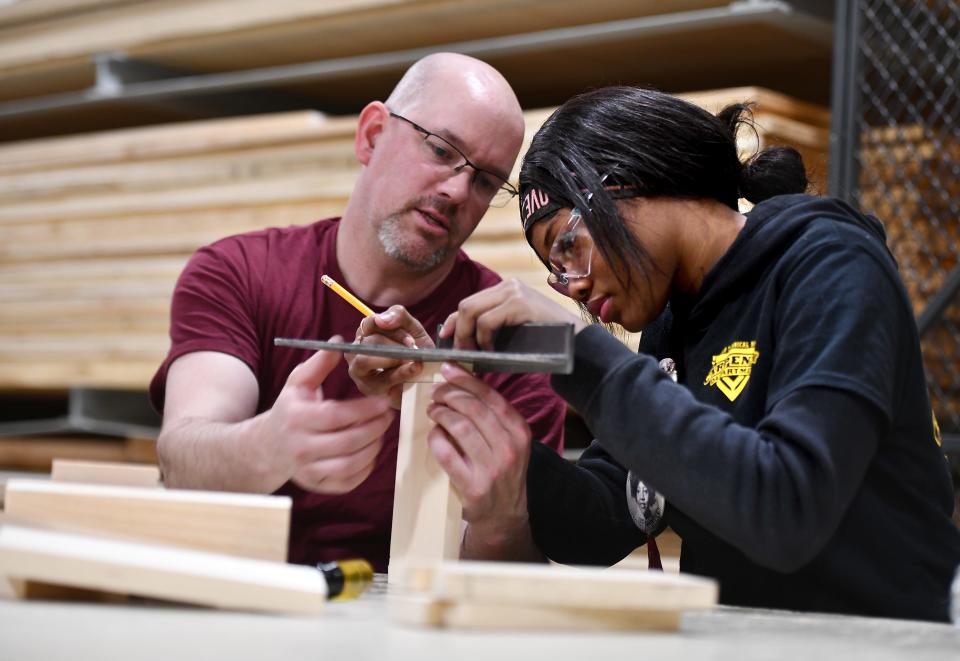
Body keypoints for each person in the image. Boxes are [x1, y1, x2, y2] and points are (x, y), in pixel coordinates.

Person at [403, 86, 960, 621]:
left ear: (631, 181)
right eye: (555, 269)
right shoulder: (674, 320)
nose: (570, 285)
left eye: (569, 247)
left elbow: (788, 510)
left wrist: (583, 357)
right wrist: (481, 429)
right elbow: (603, 518)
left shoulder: (832, 268)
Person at [149, 53, 565, 573]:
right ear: (371, 135)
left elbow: (508, 574)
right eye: (441, 150)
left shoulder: (509, 336)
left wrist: (499, 523)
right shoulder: (237, 272)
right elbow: (180, 461)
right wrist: (271, 445)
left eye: (485, 181)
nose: (458, 190)